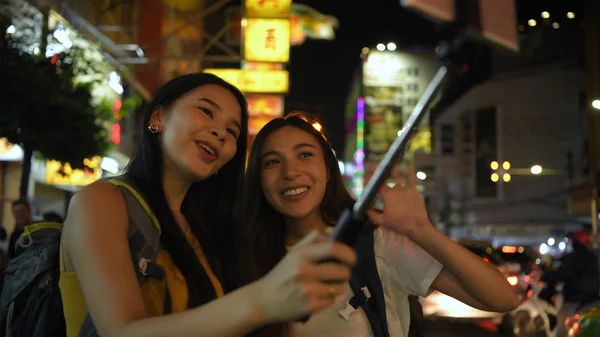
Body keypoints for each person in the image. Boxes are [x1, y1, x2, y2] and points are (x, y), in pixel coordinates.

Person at [59, 74, 357, 337]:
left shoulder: (211, 229)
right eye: (206, 111)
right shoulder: (103, 201)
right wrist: (262, 301)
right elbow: (121, 331)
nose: (220, 133)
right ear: (157, 118)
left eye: (232, 132)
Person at [242, 112, 520, 337]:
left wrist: (421, 230)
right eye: (272, 162)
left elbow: (502, 299)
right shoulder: (245, 257)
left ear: (328, 169)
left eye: (304, 155)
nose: (290, 172)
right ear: (259, 180)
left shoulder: (376, 242)